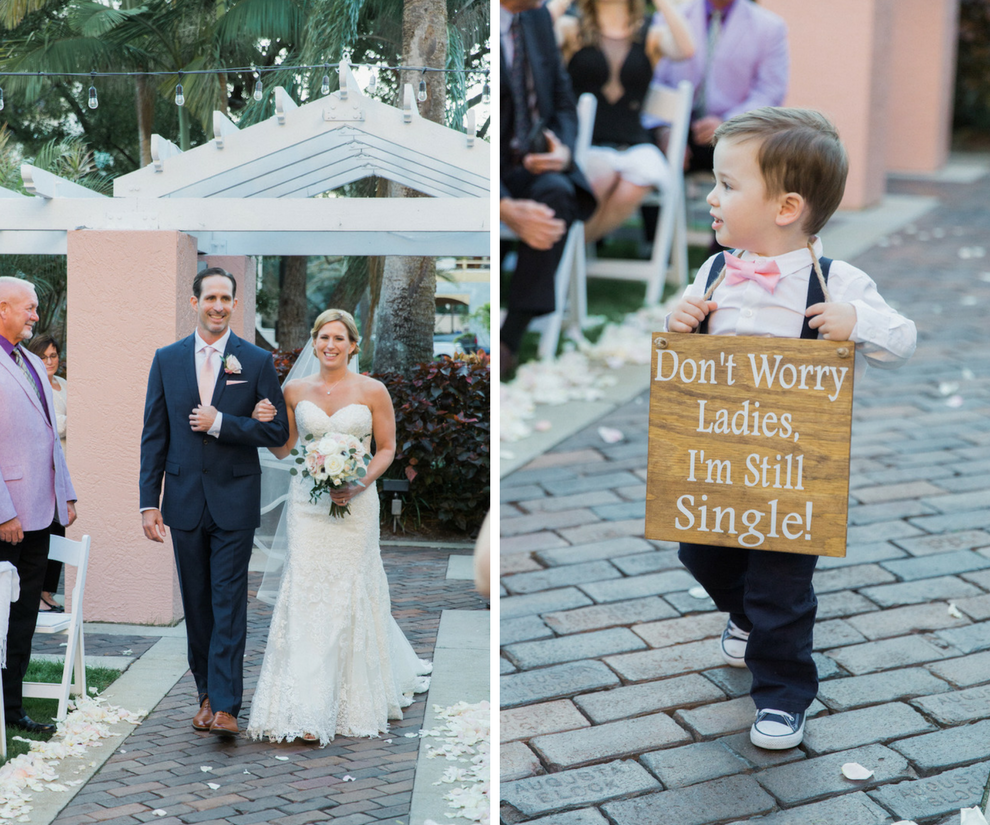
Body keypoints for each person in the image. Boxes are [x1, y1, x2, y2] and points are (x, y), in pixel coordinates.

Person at [666, 108, 916, 749]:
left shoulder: (838, 282)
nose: (711, 197)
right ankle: (743, 613)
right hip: (719, 458)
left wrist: (855, 320)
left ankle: (782, 694)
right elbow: (690, 356)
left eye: (726, 184)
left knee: (783, 585)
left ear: (786, 207)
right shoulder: (717, 271)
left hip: (792, 469)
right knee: (698, 551)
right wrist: (684, 319)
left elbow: (902, 340)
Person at [246, 309, 431, 745]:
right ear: (314, 343)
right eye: (323, 337)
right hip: (307, 507)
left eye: (339, 338)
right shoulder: (293, 390)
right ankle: (307, 705)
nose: (330, 345)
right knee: (308, 592)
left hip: (358, 504)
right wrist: (260, 423)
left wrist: (360, 481)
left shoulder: (373, 390)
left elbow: (386, 448)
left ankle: (352, 695)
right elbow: (284, 450)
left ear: (353, 344)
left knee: (349, 589)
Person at [139, 267, 288, 738]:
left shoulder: (257, 361)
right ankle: (205, 692)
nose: (219, 306)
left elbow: (278, 432)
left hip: (235, 501)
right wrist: (149, 501)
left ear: (235, 304)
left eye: (227, 298)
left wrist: (224, 422)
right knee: (198, 604)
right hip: (182, 501)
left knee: (228, 602)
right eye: (211, 298)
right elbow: (154, 434)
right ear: (194, 301)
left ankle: (226, 706)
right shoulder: (166, 359)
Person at [500, 0, 597, 378]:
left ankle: (511, 336)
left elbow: (562, 99)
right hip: (486, 171)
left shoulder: (537, 17)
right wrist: (503, 207)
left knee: (559, 193)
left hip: (533, 162)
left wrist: (565, 149)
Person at [0, 276, 77, 734]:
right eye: (27, 308)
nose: (35, 315)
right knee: (0, 615)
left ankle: (13, 710)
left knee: (25, 615)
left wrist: (64, 491)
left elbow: (50, 436)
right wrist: (2, 510)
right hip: (8, 516)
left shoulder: (31, 361)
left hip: (41, 512)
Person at [558, 0, 694, 242]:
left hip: (633, 143)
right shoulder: (572, 27)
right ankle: (567, 260)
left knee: (636, 183)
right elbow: (536, 40)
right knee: (600, 178)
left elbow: (686, 50)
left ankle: (567, 257)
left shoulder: (651, 33)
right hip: (584, 143)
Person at [27, 334, 68, 614]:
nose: (50, 361)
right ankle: (37, 593)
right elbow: (54, 425)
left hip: (65, 470)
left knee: (60, 531)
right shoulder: (34, 386)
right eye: (44, 357)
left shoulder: (63, 385)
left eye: (53, 356)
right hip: (44, 470)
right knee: (46, 531)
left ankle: (47, 591)